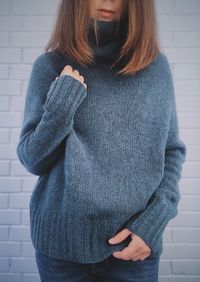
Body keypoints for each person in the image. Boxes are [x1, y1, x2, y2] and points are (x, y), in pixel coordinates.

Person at [16, 0, 187, 281]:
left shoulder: (155, 68)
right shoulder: (49, 66)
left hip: (134, 250)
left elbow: (171, 152)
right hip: (61, 250)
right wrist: (62, 103)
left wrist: (153, 223)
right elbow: (32, 159)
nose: (109, 1)